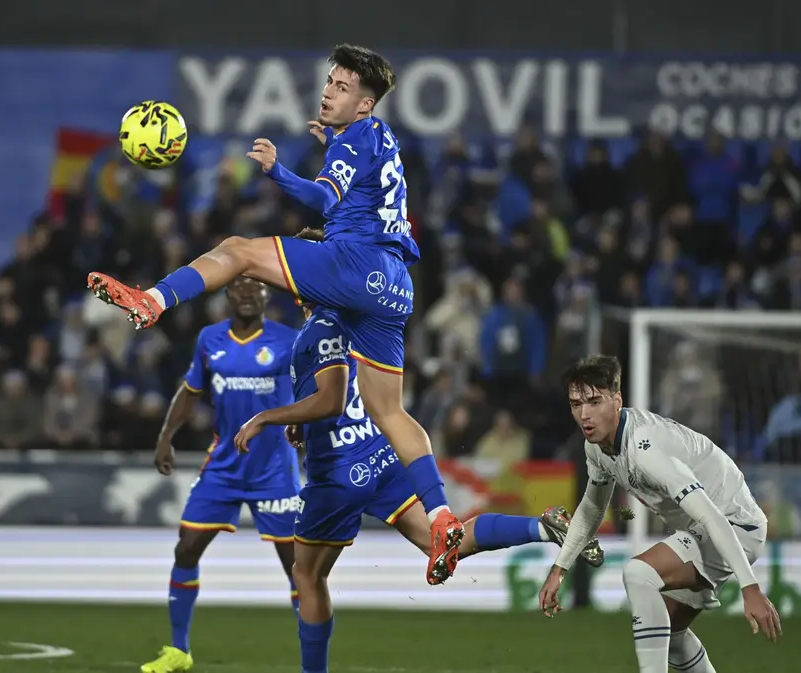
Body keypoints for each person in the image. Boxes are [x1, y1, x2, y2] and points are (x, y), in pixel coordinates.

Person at [87, 43, 464, 586]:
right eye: (329, 82)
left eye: (341, 86)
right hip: (395, 284)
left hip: (354, 262)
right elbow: (355, 192)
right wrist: (333, 143)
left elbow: (324, 198)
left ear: (365, 103)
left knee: (239, 250)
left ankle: (153, 300)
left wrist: (275, 171)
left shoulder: (356, 135)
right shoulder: (379, 138)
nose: (328, 91)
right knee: (389, 412)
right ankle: (441, 517)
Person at [233, 230, 605, 673]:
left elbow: (330, 399)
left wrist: (267, 417)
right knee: (448, 541)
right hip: (381, 454)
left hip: (338, 472)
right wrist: (302, 421)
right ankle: (542, 529)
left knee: (307, 576)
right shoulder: (362, 319)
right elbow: (345, 393)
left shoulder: (315, 331)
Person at [539, 355, 781, 673]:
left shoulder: (644, 447)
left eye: (594, 402)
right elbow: (593, 507)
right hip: (704, 530)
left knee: (639, 574)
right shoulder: (596, 447)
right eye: (575, 404)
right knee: (672, 635)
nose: (584, 415)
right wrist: (560, 568)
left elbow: (711, 515)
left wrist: (750, 588)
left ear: (616, 400)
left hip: (734, 525)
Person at [141, 277, 300, 673]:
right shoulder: (210, 339)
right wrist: (166, 437)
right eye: (239, 287)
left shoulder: (291, 340)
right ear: (226, 295)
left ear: (268, 295)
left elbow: (319, 386)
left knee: (300, 570)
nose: (248, 293)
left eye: (256, 288)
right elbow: (191, 390)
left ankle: (312, 662)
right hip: (225, 466)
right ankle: (178, 652)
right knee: (186, 549)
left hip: (275, 471)